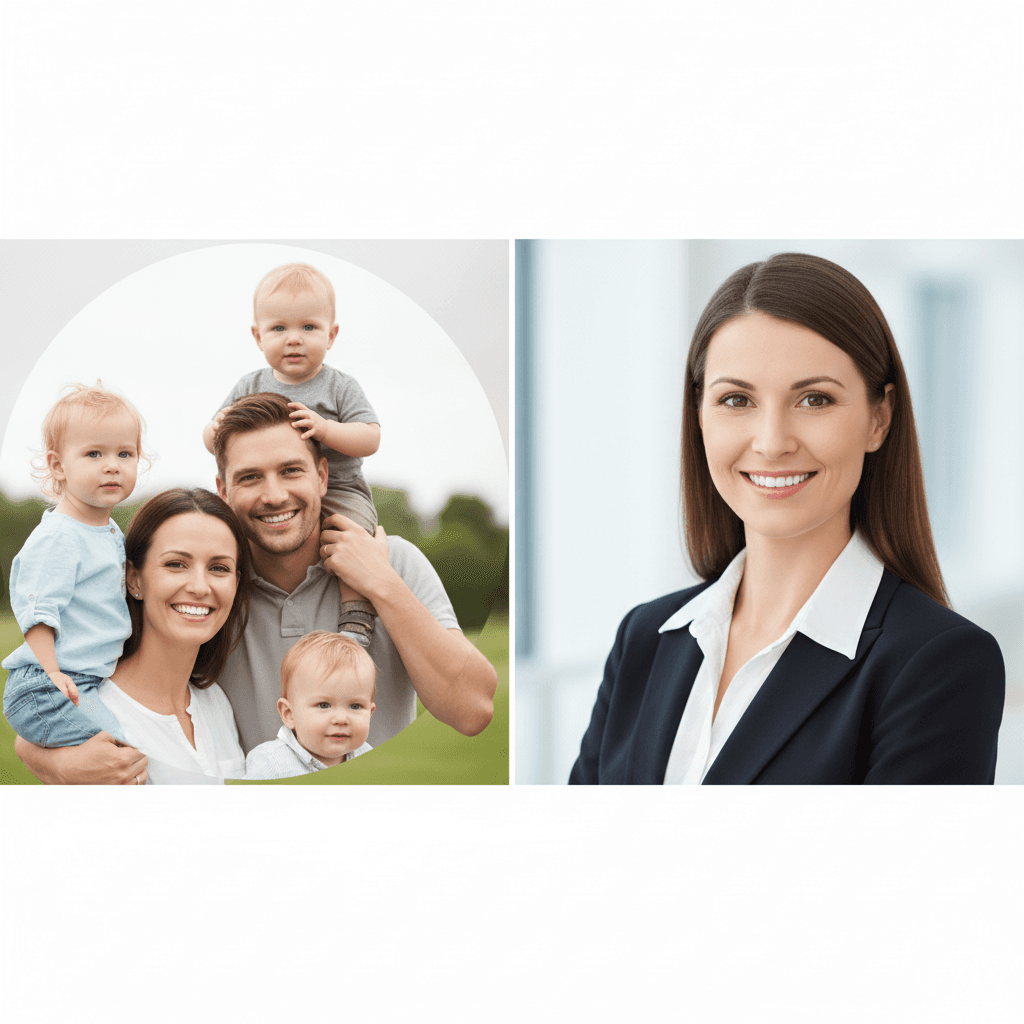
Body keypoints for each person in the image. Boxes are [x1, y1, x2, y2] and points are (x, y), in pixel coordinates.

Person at [570, 252, 1005, 785]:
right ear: (699, 417)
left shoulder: (939, 665)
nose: (772, 443)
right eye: (736, 400)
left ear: (879, 418)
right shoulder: (643, 640)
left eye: (814, 399)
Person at [15, 392, 496, 783]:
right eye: (250, 478)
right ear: (223, 489)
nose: (273, 495)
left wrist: (382, 584)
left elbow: (473, 710)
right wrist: (55, 760)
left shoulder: (392, 564)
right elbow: (69, 692)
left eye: (291, 470)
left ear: (323, 476)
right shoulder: (208, 595)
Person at [15, 488, 253, 784]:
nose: (200, 586)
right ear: (134, 578)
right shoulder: (93, 712)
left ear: (236, 583)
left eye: (219, 568)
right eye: (176, 564)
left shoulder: (216, 702)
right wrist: (56, 763)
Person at [203, 262, 381, 646]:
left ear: (331, 335)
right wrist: (214, 429)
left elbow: (370, 437)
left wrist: (326, 429)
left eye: (308, 327)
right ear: (258, 336)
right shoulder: (249, 385)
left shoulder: (338, 386)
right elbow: (214, 439)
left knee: (351, 541)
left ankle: (355, 615)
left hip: (342, 490)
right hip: (298, 498)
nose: (294, 339)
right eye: (279, 328)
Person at [3, 382, 146, 750]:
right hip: (48, 684)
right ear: (58, 465)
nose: (112, 466)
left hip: (86, 679)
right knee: (123, 753)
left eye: (125, 454)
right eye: (94, 454)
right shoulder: (60, 537)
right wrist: (52, 673)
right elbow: (36, 613)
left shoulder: (108, 529)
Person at [245, 631, 375, 780]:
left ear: (370, 713)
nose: (341, 719)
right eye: (324, 705)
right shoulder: (271, 765)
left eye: (355, 706)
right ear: (289, 714)